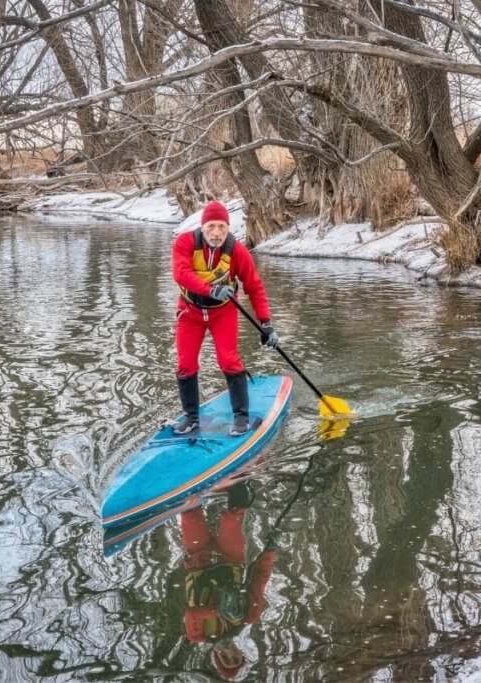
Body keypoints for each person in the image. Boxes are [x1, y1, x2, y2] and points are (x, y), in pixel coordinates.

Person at [171, 200, 279, 436]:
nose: (217, 233)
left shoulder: (237, 251)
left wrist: (266, 324)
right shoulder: (185, 242)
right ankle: (190, 418)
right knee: (185, 364)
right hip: (190, 312)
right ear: (202, 226)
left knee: (228, 360)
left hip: (223, 312)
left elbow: (254, 287)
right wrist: (210, 289)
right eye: (211, 226)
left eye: (222, 226)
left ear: (228, 228)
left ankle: (241, 417)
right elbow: (181, 274)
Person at [180, 481, 278, 680]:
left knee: (190, 514)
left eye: (226, 658)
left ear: (217, 656)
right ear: (240, 652)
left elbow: (192, 614)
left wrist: (217, 611)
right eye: (235, 657)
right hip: (230, 560)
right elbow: (260, 579)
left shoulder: (198, 636)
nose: (229, 652)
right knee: (233, 518)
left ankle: (188, 482)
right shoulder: (248, 616)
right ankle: (235, 482)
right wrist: (270, 553)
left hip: (199, 561)